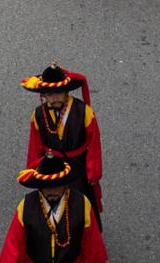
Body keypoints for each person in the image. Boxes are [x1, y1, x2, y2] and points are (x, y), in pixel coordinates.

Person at [22, 63, 103, 220]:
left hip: (77, 166)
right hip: (51, 165)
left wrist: (93, 172)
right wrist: (33, 169)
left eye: (59, 93)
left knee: (80, 201)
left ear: (67, 91)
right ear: (43, 96)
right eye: (50, 95)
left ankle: (86, 231)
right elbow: (35, 145)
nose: (54, 98)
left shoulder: (83, 111)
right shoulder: (38, 115)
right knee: (52, 201)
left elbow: (94, 143)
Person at [0, 154, 107, 263]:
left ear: (65, 185)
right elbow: (13, 248)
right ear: (40, 186)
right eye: (48, 187)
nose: (52, 191)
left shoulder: (82, 204)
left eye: (57, 186)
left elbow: (93, 248)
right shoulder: (25, 207)